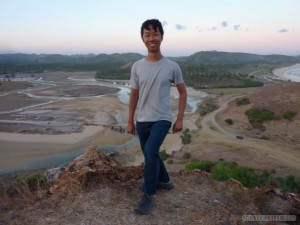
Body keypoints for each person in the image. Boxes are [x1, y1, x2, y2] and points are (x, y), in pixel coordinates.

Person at [127, 19, 187, 215]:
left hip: (162, 118)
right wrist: (130, 121)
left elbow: (183, 92)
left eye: (155, 34)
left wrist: (179, 119)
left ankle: (148, 194)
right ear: (142, 38)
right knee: (150, 154)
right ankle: (166, 181)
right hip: (142, 119)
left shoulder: (172, 66)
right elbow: (134, 94)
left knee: (151, 151)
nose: (151, 38)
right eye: (147, 34)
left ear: (162, 37)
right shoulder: (136, 66)